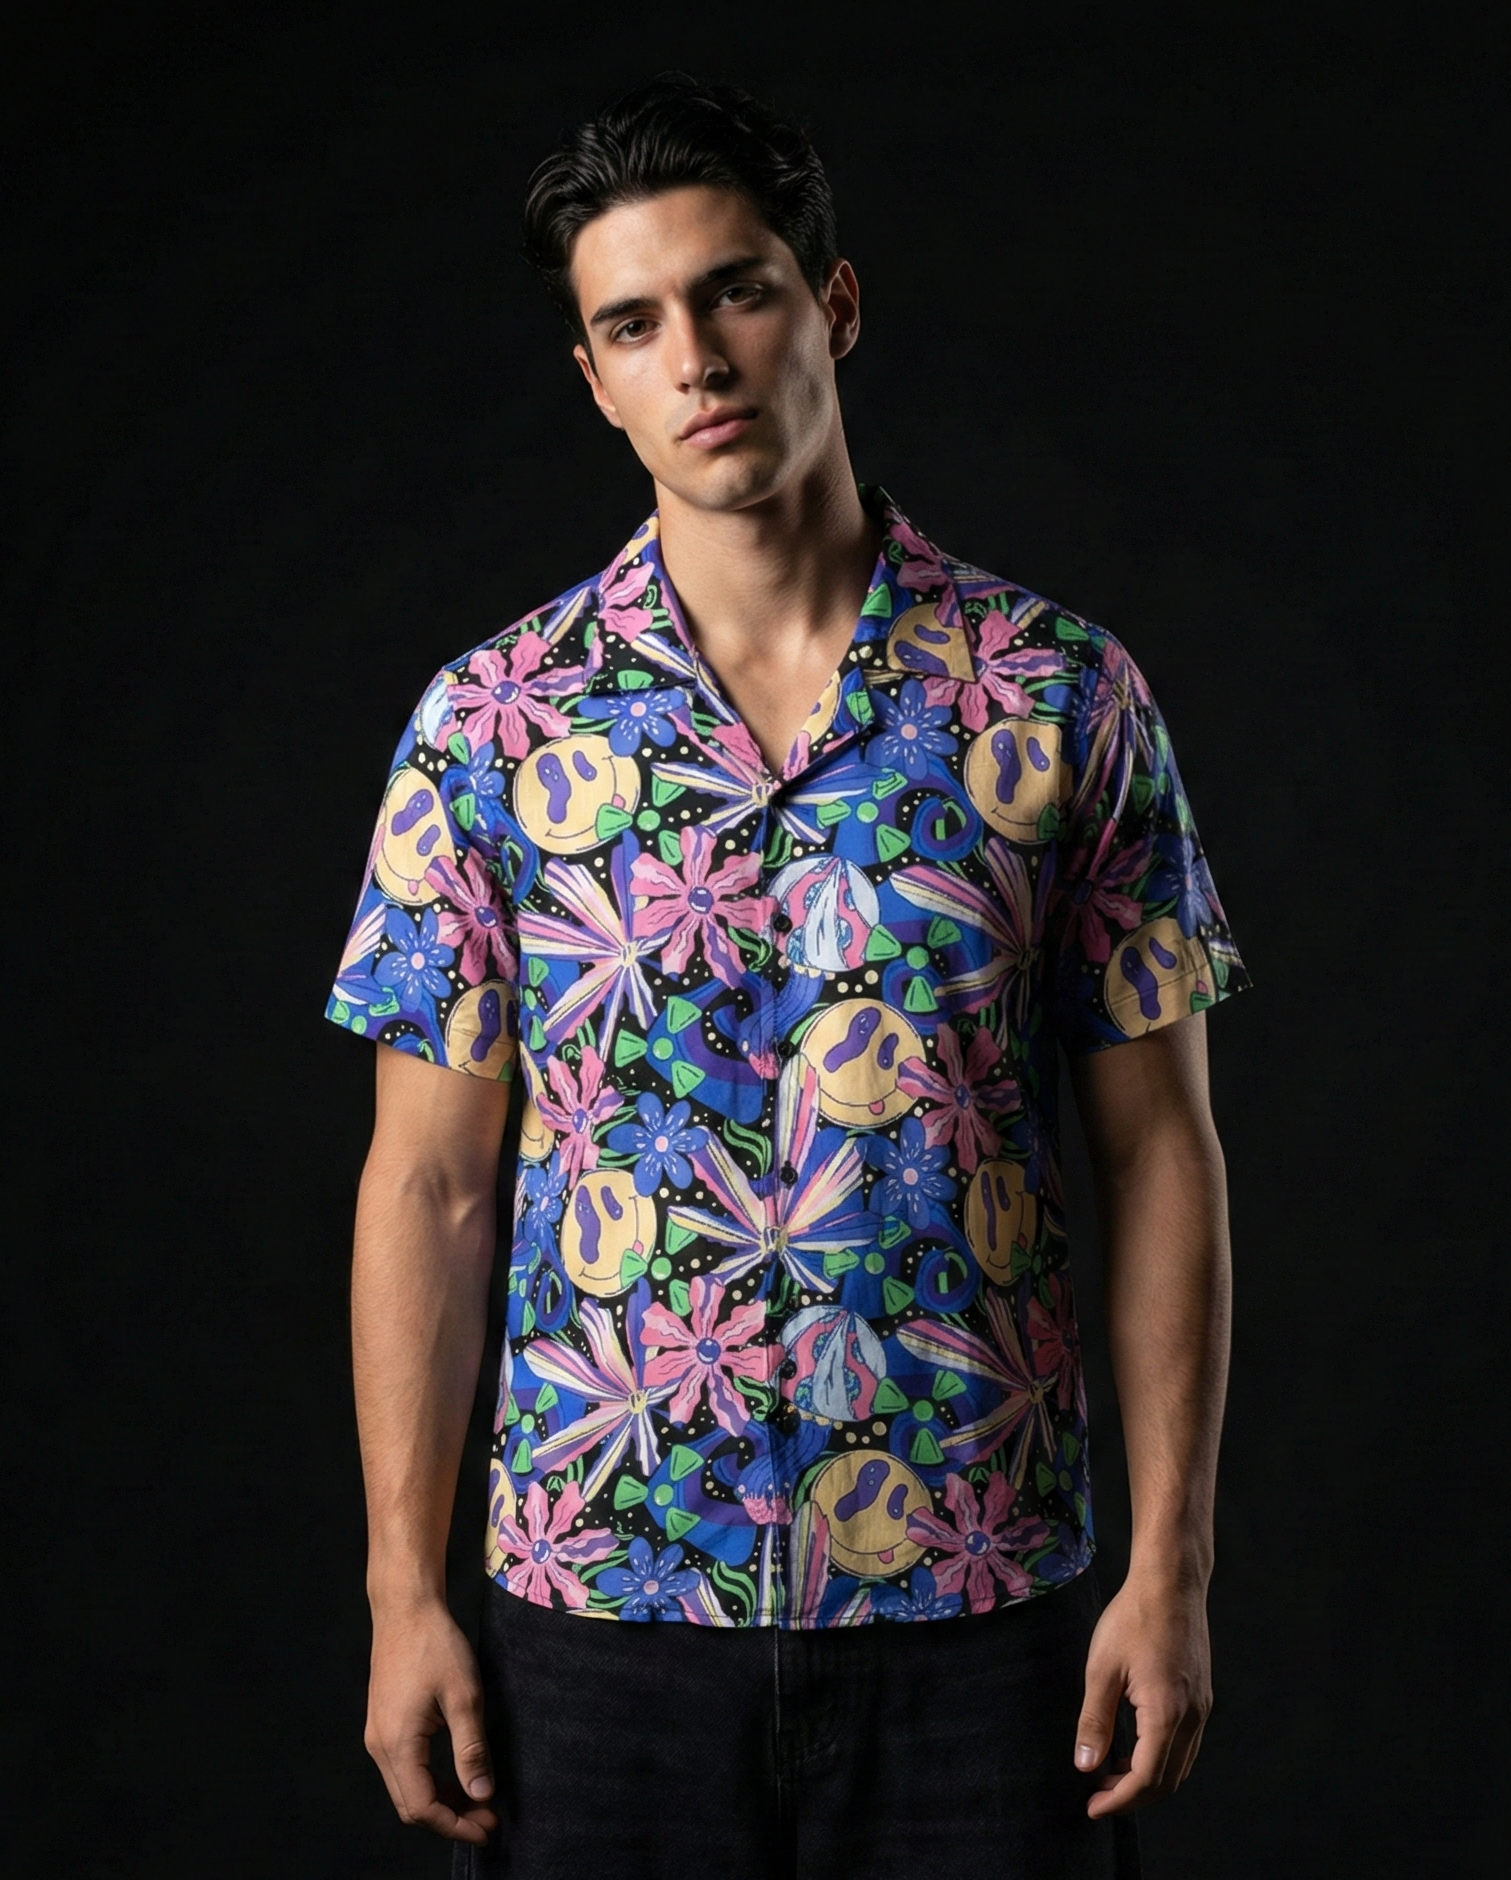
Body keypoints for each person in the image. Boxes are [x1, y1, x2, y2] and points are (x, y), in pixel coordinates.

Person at [326, 71, 1249, 1880]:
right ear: (594, 379)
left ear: (830, 301)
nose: (696, 359)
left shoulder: (1055, 695)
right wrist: (397, 1594)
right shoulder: (492, 727)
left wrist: (1173, 1569)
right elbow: (429, 1183)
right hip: (598, 1611)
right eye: (633, 325)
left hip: (978, 1609)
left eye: (734, 291)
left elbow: (1158, 1151)